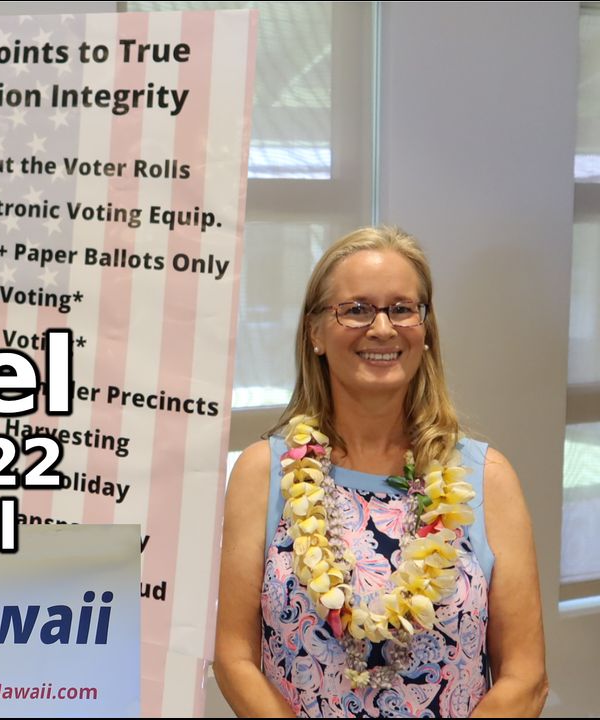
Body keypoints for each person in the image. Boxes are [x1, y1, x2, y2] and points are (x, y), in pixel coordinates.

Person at [214, 227, 548, 717]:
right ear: (315, 333)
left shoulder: (486, 477)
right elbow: (234, 658)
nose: (383, 329)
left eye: (402, 308)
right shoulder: (265, 473)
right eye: (356, 309)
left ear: (426, 331)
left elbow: (526, 678)